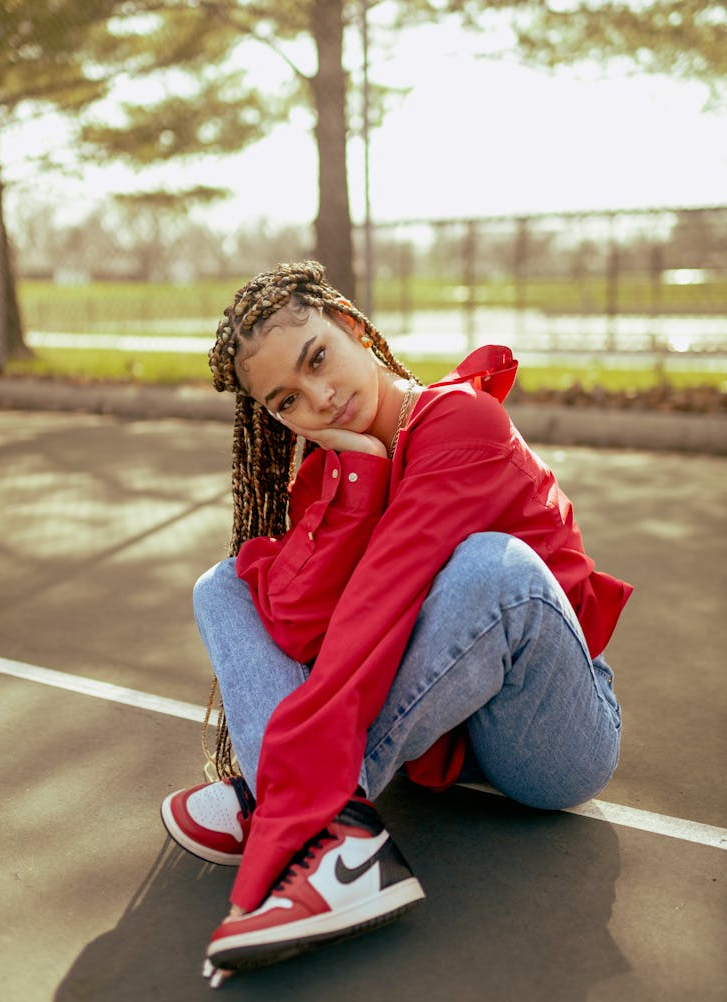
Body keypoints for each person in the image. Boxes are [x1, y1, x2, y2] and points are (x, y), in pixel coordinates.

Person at [160, 259, 632, 985]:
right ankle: (308, 813)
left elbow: (374, 613)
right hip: (441, 737)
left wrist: (289, 782)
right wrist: (358, 477)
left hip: (551, 736)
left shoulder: (462, 421)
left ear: (353, 328)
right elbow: (301, 626)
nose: (318, 399)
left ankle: (307, 827)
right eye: (288, 400)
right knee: (224, 586)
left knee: (491, 568)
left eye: (319, 359)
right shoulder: (333, 468)